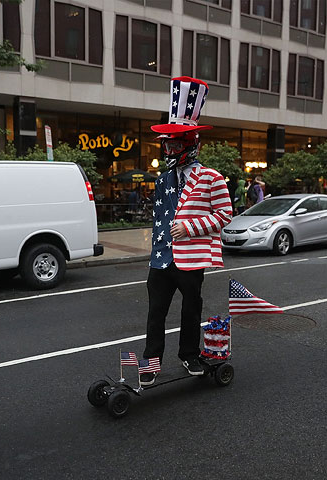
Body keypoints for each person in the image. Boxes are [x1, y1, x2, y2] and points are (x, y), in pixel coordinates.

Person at [141, 76, 233, 386]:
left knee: (191, 311)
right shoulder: (162, 180)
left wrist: (190, 226)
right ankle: (151, 363)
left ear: (191, 143)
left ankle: (189, 354)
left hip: (190, 259)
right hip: (161, 259)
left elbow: (225, 215)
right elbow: (159, 218)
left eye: (177, 142)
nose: (170, 148)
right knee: (155, 315)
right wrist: (155, 249)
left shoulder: (212, 178)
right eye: (167, 142)